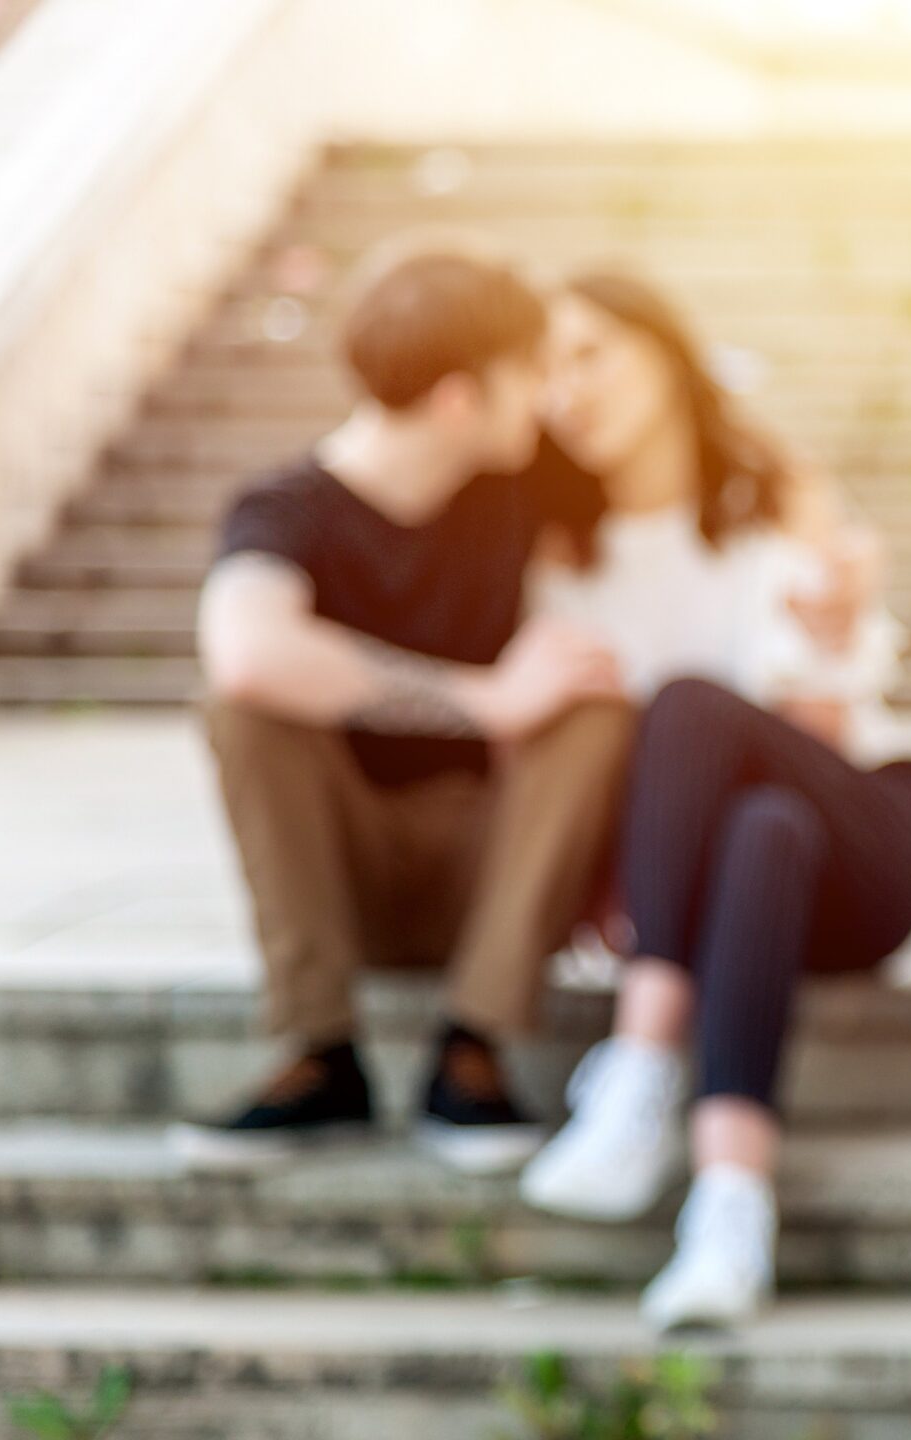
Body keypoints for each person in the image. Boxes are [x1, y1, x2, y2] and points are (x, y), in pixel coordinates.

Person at [510, 269, 911, 1333]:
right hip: (737, 881)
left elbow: (820, 737)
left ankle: (641, 1058)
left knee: (695, 715)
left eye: (591, 354)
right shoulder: (552, 550)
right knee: (761, 829)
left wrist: (832, 634)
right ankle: (728, 1212)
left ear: (665, 354)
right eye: (546, 371)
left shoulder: (773, 497)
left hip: (870, 844)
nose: (568, 391)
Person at [180, 242, 632, 1176]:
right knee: (244, 708)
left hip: (490, 871)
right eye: (530, 374)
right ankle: (319, 1053)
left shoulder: (521, 481)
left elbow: (691, 458)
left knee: (593, 711)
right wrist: (489, 700)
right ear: (460, 398)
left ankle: (474, 1043)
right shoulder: (281, 508)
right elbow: (247, 652)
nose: (550, 395)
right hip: (344, 872)